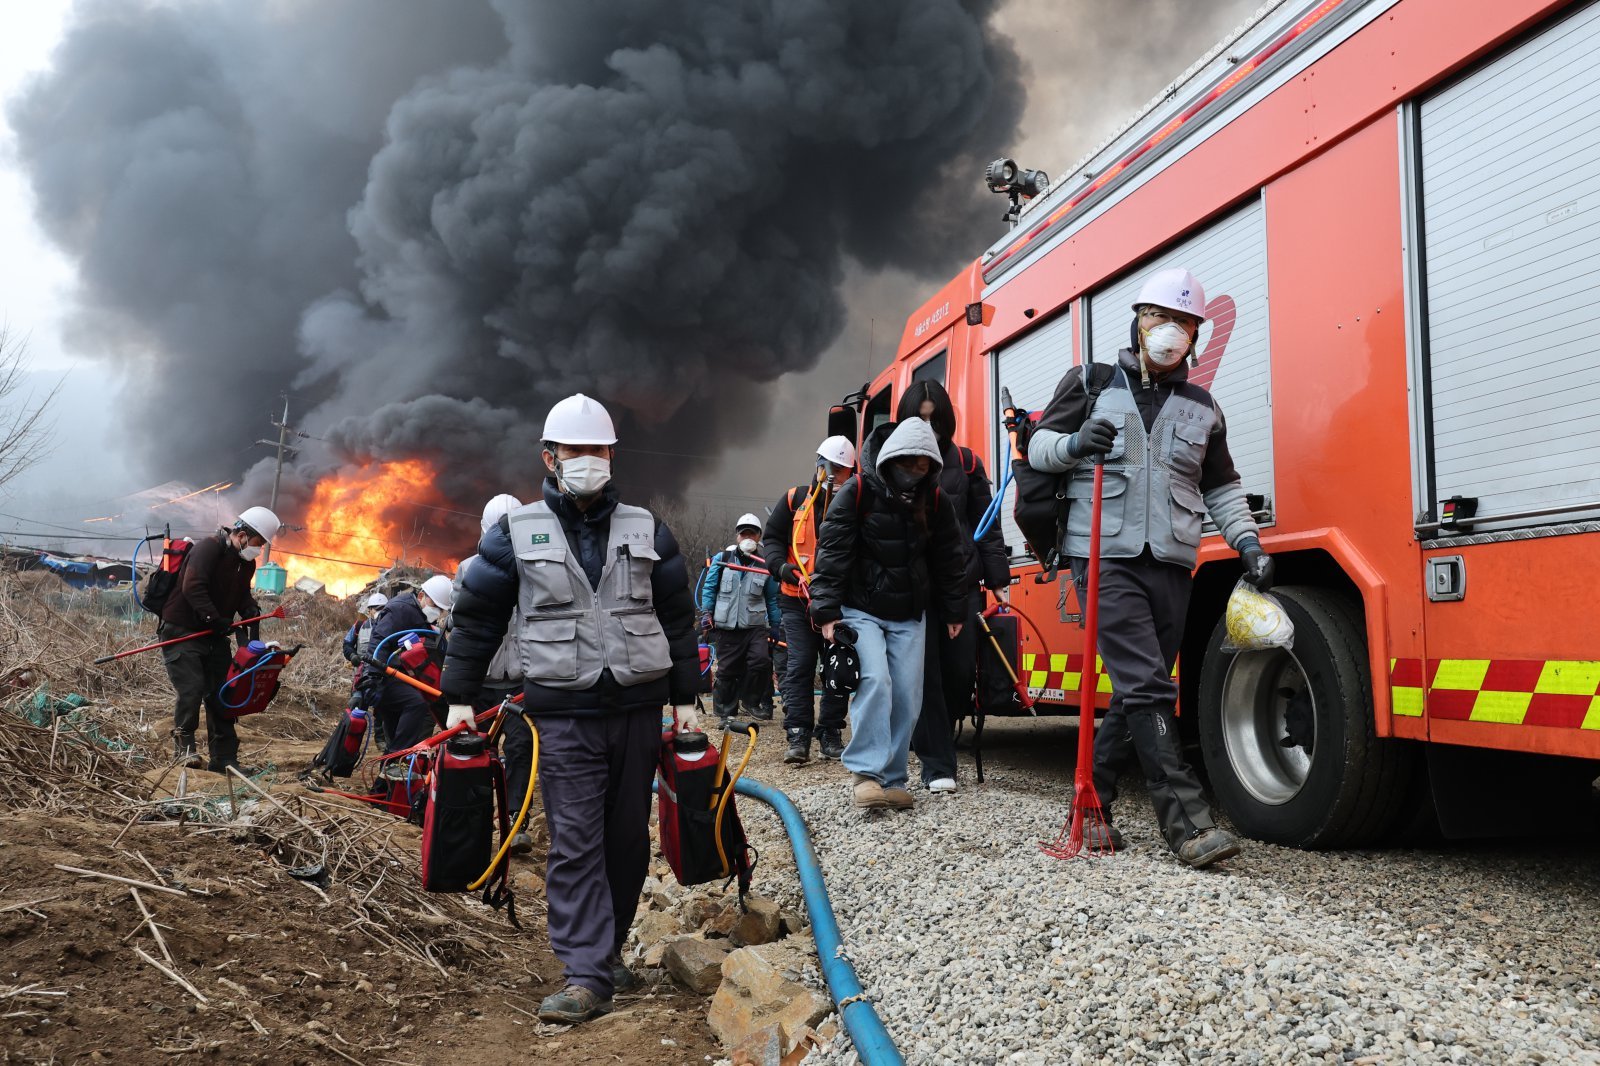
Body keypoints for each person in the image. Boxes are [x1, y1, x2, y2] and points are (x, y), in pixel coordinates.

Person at [441, 393, 700, 1026]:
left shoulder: (647, 528)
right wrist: (459, 700)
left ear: (612, 455)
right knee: (577, 841)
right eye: (575, 451)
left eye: (598, 450)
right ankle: (585, 971)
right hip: (562, 717)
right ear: (550, 456)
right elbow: (476, 620)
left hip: (638, 711)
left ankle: (606, 953)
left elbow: (676, 617)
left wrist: (686, 698)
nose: (588, 460)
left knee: (626, 843)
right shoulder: (515, 532)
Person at [1029, 267, 1273, 869]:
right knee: (1146, 685)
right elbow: (1037, 449)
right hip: (1103, 557)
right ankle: (1187, 823)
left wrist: (1248, 542)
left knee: (1139, 691)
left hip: (1171, 562)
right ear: (1138, 321)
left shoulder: (1202, 406)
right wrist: (1076, 444)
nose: (1170, 331)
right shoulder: (1089, 383)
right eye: (1160, 318)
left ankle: (1093, 808)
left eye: (1185, 323)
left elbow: (1221, 487)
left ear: (1196, 336)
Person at [808, 417, 967, 810]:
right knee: (876, 680)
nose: (915, 472)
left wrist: (953, 610)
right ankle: (866, 773)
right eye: (908, 463)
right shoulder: (858, 491)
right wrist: (826, 613)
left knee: (910, 695)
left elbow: (950, 558)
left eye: (923, 465)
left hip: (910, 613)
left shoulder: (935, 501)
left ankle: (894, 778)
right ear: (891, 457)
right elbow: (832, 553)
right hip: (860, 609)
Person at [895, 381, 1011, 794]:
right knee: (926, 677)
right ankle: (937, 764)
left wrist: (998, 579)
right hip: (915, 588)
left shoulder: (966, 463)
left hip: (962, 585)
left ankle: (938, 736)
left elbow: (986, 523)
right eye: (921, 417)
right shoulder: (896, 462)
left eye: (935, 417)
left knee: (960, 674)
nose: (929, 425)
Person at [159, 506, 279, 771]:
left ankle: (224, 759)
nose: (258, 548)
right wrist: (215, 619)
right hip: (182, 630)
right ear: (244, 533)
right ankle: (184, 750)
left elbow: (240, 593)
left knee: (222, 694)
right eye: (258, 542)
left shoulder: (246, 563)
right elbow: (193, 586)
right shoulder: (208, 549)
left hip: (214, 634)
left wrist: (248, 607)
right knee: (191, 688)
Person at [761, 435, 856, 764]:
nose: (834, 475)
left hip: (836, 605)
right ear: (818, 465)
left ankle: (830, 732)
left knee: (837, 669)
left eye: (842, 470)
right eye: (831, 466)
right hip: (796, 601)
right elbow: (771, 539)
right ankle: (798, 735)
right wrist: (782, 568)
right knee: (799, 667)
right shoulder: (793, 500)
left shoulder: (856, 504)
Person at [454, 492, 535, 856]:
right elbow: (464, 624)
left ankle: (516, 821)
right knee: (475, 752)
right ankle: (472, 820)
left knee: (522, 749)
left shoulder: (538, 567)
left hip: (521, 680)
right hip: (482, 680)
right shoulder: (469, 569)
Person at [698, 514, 781, 724]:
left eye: (752, 533)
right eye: (744, 533)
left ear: (759, 536)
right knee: (726, 669)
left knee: (761, 661)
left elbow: (771, 597)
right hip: (726, 625)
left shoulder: (765, 564)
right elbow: (709, 588)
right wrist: (706, 613)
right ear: (737, 536)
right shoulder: (722, 559)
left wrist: (775, 625)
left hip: (754, 626)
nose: (748, 537)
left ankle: (750, 701)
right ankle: (725, 711)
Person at [369, 573, 455, 770]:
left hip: (406, 681)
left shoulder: (425, 621)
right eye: (436, 606)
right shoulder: (401, 609)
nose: (438, 612)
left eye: (442, 609)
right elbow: (378, 643)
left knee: (397, 737)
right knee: (416, 706)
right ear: (422, 595)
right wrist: (372, 676)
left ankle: (382, 789)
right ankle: (395, 761)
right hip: (386, 679)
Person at [341, 592, 388, 665]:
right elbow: (347, 644)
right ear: (369, 611)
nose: (380, 612)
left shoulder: (394, 626)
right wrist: (352, 655)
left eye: (383, 608)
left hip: (387, 671)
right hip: (364, 672)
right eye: (377, 609)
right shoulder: (359, 626)